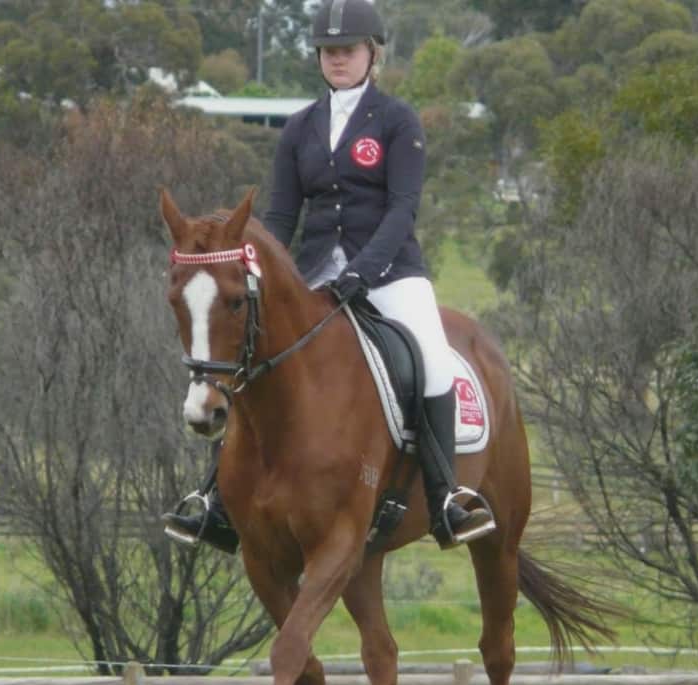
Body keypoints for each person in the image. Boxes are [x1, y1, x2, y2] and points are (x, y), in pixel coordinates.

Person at [165, 0, 494, 551]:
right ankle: (216, 501)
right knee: (251, 359)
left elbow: (402, 209)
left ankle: (445, 500)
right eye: (328, 51)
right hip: (314, 273)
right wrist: (259, 268)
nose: (338, 59)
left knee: (434, 362)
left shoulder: (397, 121)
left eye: (348, 50)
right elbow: (280, 219)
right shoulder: (300, 128)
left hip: (391, 273)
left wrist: (363, 271)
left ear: (372, 53)